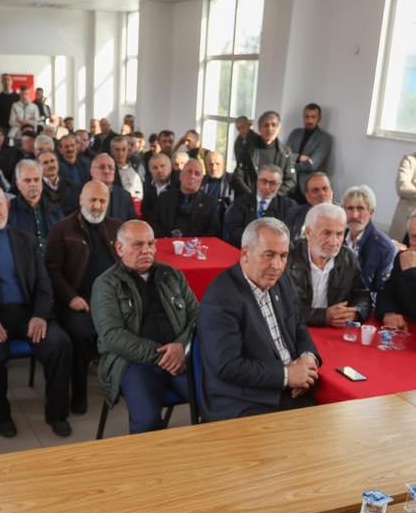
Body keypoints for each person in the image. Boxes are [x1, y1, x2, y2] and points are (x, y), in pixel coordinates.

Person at [0, 185, 74, 438]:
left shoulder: (26, 239)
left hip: (29, 314)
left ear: (7, 206)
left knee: (60, 344)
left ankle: (56, 413)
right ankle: (1, 413)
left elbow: (43, 284)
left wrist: (40, 314)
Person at [198, 217, 320, 420]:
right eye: (269, 255)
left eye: (283, 256)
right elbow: (227, 366)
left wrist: (307, 357)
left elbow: (298, 325)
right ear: (245, 254)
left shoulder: (281, 282)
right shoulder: (221, 297)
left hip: (286, 387)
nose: (277, 265)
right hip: (243, 400)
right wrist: (287, 376)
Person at [91, 219, 197, 435]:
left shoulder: (172, 275)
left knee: (216, 402)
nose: (147, 250)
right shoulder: (106, 284)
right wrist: (162, 357)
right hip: (133, 363)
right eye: (138, 245)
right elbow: (112, 336)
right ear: (120, 248)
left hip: (179, 358)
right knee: (147, 423)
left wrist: (181, 347)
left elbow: (197, 315)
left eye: (151, 244)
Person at [45, 181, 122, 415]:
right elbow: (52, 269)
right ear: (81, 200)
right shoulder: (62, 229)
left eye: (102, 201)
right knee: (80, 335)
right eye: (93, 200)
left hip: (111, 301)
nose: (97, 206)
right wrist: (70, 298)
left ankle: (124, 383)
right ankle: (79, 392)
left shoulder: (116, 227)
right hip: (77, 301)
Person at [283, 202, 371, 327]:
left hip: (333, 333)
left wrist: (356, 312)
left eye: (339, 234)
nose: (334, 242)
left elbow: (362, 295)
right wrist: (322, 316)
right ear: (308, 233)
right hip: (293, 329)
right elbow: (279, 306)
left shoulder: (348, 258)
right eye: (327, 233)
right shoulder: (287, 257)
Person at [224, 165, 299, 247]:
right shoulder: (240, 202)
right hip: (245, 248)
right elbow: (233, 229)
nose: (267, 187)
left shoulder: (289, 206)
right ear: (257, 181)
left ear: (279, 185)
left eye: (273, 183)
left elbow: (290, 233)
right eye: (263, 181)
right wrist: (257, 240)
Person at [342, 185, 398, 292]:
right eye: (350, 208)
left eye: (360, 208)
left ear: (371, 213)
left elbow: (381, 291)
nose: (354, 215)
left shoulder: (384, 247)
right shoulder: (337, 238)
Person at [232, 111, 297, 200]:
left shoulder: (286, 153)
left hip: (275, 202)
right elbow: (239, 175)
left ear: (279, 128)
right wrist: (252, 195)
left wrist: (272, 196)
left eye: (274, 125)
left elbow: (291, 180)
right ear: (259, 128)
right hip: (250, 200)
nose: (270, 129)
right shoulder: (248, 149)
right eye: (266, 125)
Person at [150, 160, 222, 240]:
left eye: (197, 174)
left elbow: (213, 231)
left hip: (195, 247)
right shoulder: (164, 197)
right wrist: (165, 238)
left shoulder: (210, 203)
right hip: (166, 243)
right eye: (189, 172)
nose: (192, 176)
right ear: (180, 176)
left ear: (201, 180)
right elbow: (153, 222)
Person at [285, 103, 332, 205]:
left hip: (308, 190)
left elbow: (312, 165)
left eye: (313, 117)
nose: (309, 120)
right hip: (288, 186)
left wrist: (290, 164)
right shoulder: (295, 133)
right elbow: (284, 155)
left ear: (319, 119)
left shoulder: (325, 139)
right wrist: (299, 157)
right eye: (307, 117)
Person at [9, 159, 63, 245]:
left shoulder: (54, 208)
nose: (33, 184)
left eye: (36, 179)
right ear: (18, 184)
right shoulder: (9, 210)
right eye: (27, 180)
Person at [288, 171, 335, 239]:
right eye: (315, 190)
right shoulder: (294, 214)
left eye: (325, 189)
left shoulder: (343, 215)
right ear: (308, 197)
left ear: (331, 192)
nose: (321, 193)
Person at [201, 150, 234, 216]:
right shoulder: (201, 181)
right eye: (211, 164)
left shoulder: (233, 181)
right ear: (206, 166)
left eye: (217, 164)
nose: (214, 168)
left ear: (224, 165)